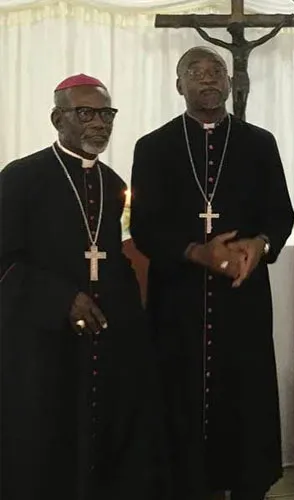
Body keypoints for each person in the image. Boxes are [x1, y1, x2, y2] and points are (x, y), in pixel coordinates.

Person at [129, 47, 294, 500]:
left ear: (230, 82)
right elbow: (143, 226)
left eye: (215, 71)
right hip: (177, 300)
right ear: (178, 84)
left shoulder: (259, 143)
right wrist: (195, 252)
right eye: (195, 72)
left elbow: (281, 215)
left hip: (241, 297)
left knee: (244, 397)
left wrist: (257, 246)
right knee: (177, 395)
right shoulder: (153, 147)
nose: (207, 79)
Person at [0, 74, 162, 500]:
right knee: (45, 442)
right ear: (58, 118)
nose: (99, 124)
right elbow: (4, 259)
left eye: (106, 114)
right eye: (85, 113)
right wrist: (61, 299)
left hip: (101, 335)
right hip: (42, 341)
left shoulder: (111, 183)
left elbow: (108, 254)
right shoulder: (20, 177)